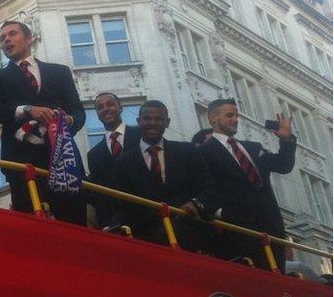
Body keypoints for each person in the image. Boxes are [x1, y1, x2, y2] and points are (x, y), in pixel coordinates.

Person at [0, 20, 87, 224]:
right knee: (32, 228)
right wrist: (27, 110)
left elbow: (78, 111)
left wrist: (65, 121)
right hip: (22, 167)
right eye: (2, 38)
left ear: (29, 38)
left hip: (64, 163)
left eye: (12, 34)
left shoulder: (59, 72)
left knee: (74, 227)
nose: (6, 40)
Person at [199, 98, 296, 271]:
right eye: (229, 115)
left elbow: (283, 165)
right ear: (213, 118)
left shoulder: (253, 147)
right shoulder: (203, 152)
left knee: (277, 281)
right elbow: (205, 187)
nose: (235, 119)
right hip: (239, 231)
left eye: (236, 115)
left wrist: (286, 139)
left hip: (272, 227)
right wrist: (222, 213)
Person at [110, 100, 218, 252]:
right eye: (147, 118)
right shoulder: (123, 162)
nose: (152, 123)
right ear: (138, 121)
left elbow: (209, 188)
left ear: (167, 122)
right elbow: (123, 206)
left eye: (158, 119)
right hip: (147, 242)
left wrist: (195, 204)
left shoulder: (187, 151)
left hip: (189, 237)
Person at [85, 92, 140, 228]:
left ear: (121, 108)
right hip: (116, 223)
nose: (106, 109)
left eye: (110, 104)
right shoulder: (94, 154)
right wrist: (105, 224)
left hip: (149, 215)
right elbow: (101, 195)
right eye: (100, 107)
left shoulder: (142, 135)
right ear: (97, 114)